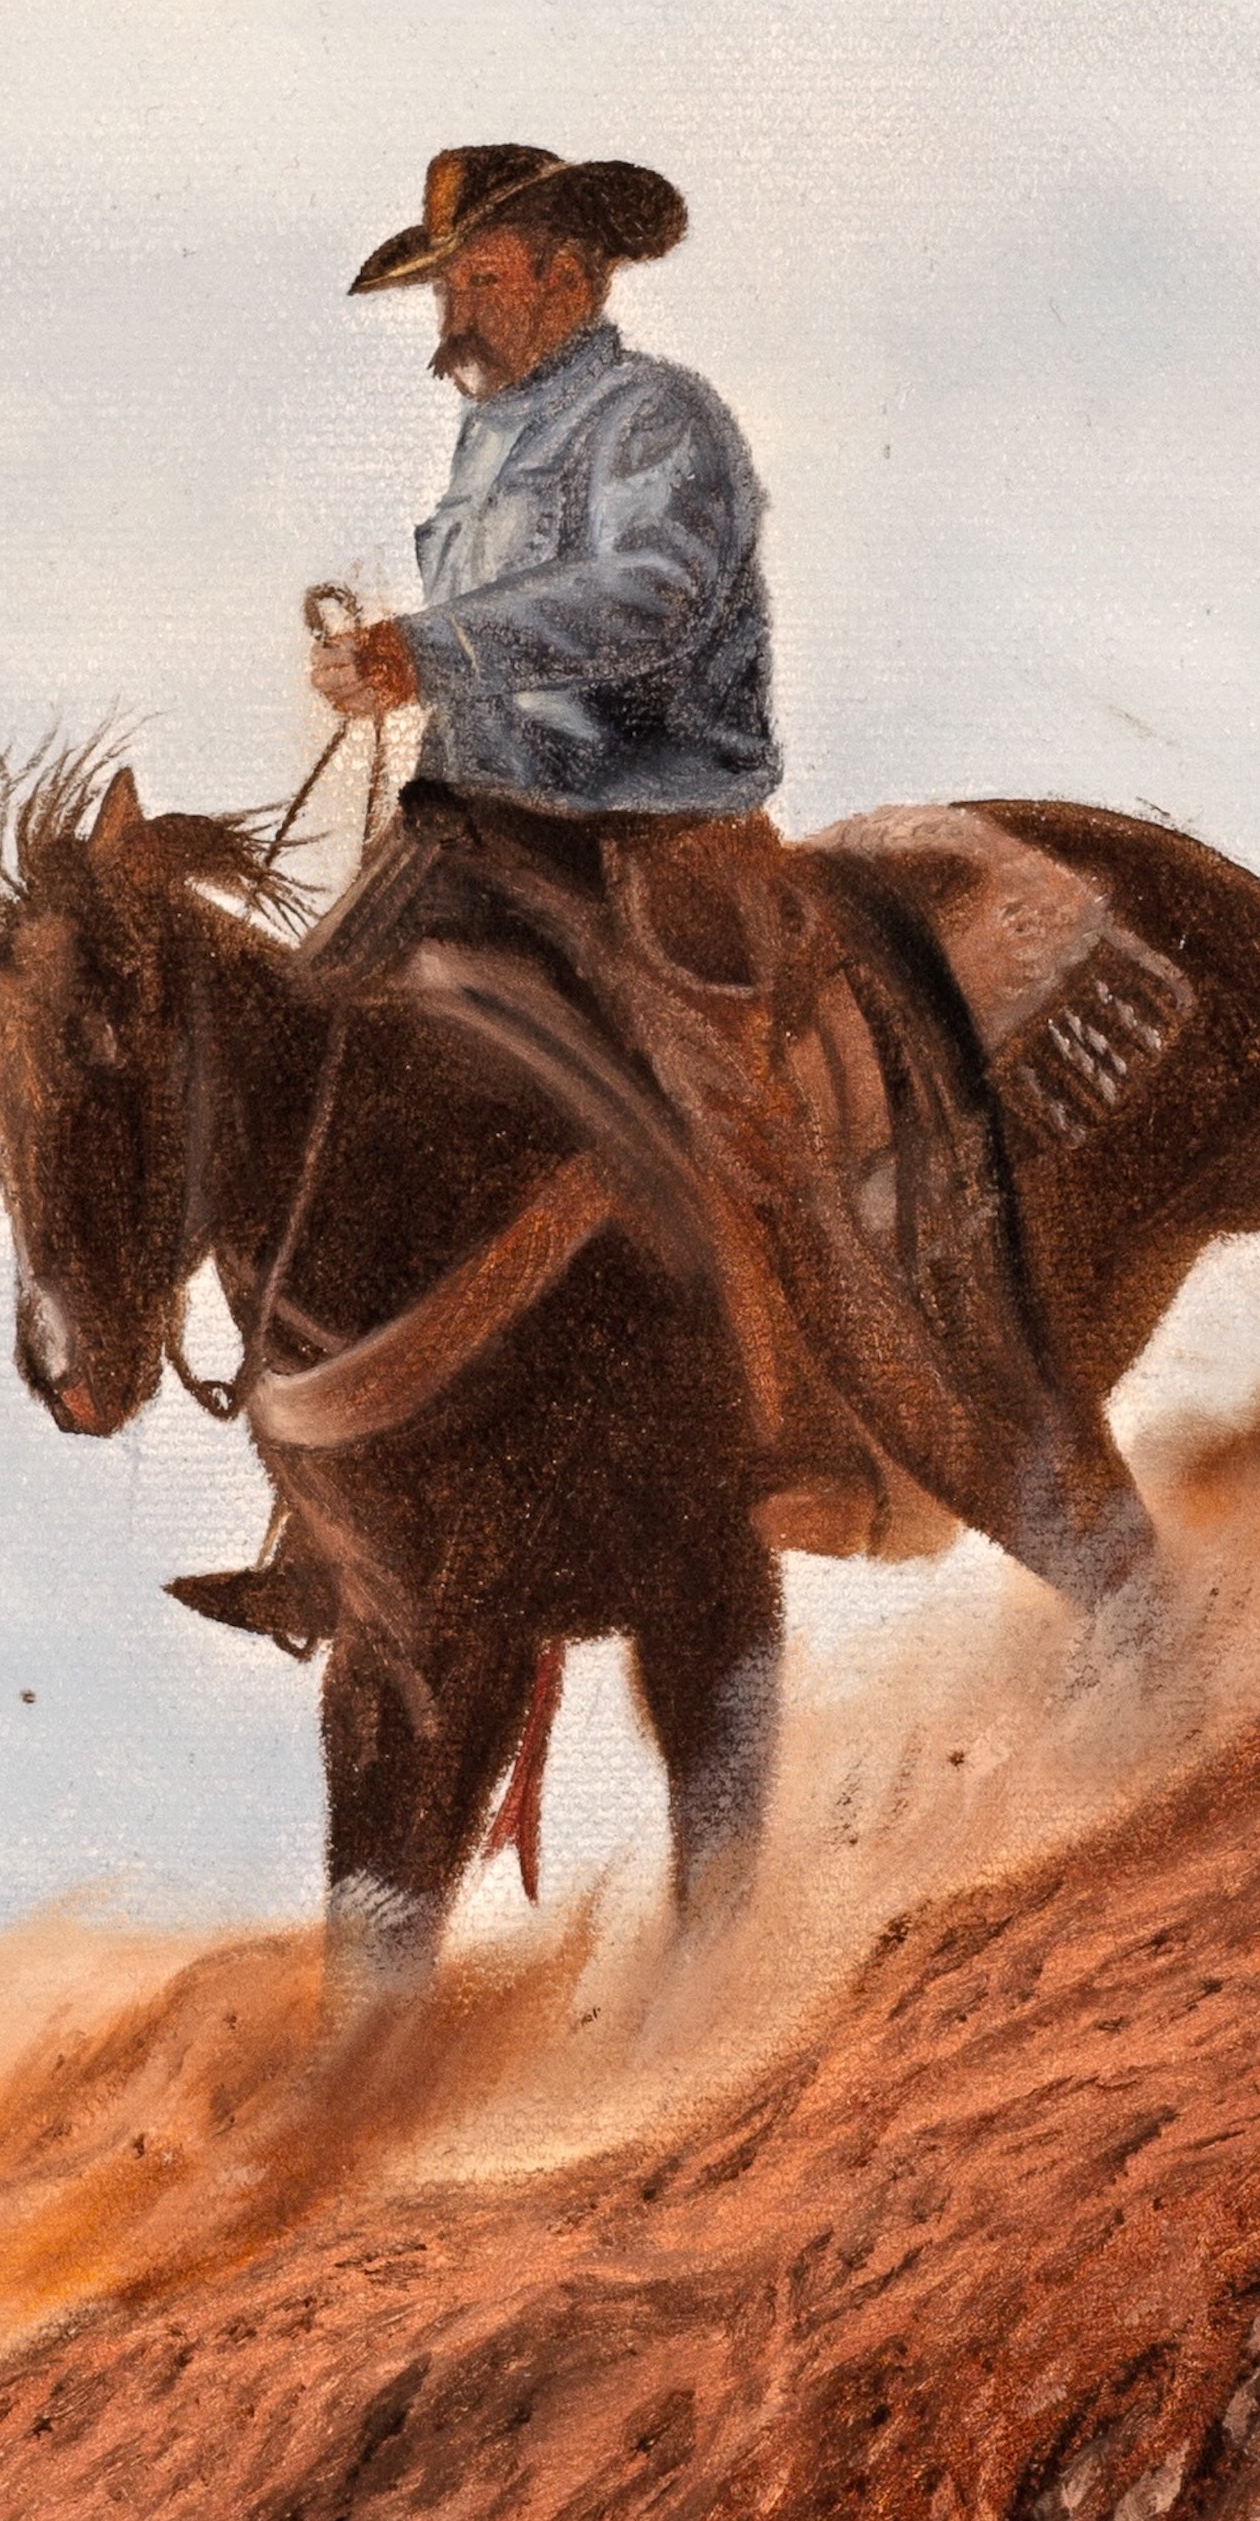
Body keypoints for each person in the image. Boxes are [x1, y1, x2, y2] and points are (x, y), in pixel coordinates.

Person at [302, 145, 1152, 1610]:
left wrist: (426, 649)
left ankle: (831, 1430)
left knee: (730, 1131)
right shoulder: (489, 444)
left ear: (572, 272)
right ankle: (329, 1527)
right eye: (448, 283)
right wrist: (391, 678)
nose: (457, 309)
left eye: (481, 277)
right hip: (484, 843)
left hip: (653, 852)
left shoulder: (658, 420)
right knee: (314, 1063)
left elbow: (653, 599)